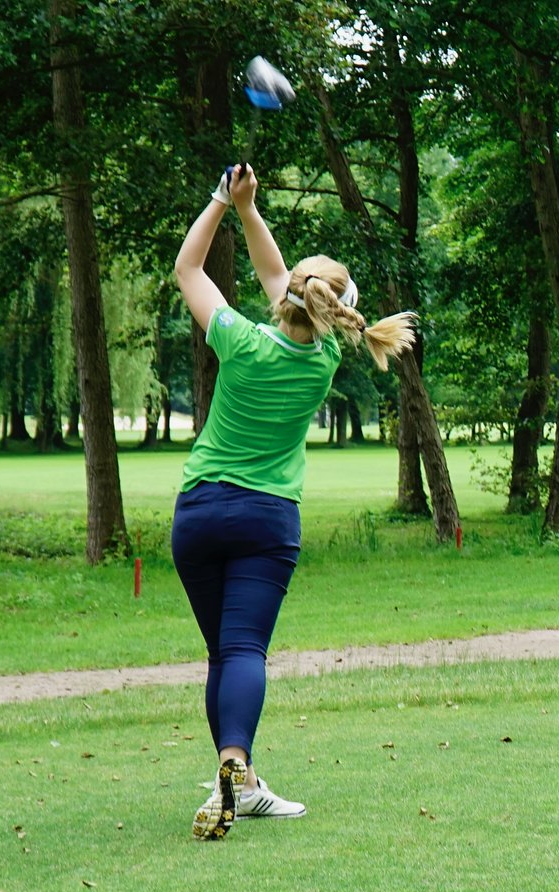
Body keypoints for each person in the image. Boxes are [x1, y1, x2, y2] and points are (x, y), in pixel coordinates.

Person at [173, 164, 415, 840]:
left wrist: (226, 201)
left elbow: (188, 269)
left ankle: (239, 783)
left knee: (223, 653)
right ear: (332, 308)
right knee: (244, 648)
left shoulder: (239, 340)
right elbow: (282, 279)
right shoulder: (326, 359)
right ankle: (234, 768)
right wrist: (252, 214)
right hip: (266, 518)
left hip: (198, 513)